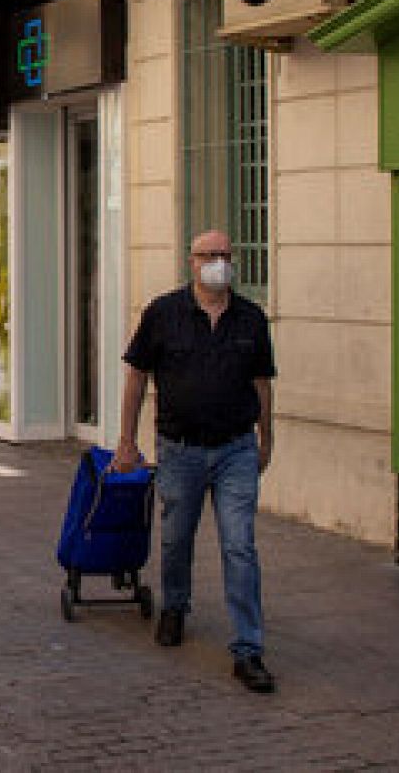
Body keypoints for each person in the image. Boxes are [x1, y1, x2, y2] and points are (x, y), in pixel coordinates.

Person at [115, 229, 277, 694]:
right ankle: (175, 607)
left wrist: (268, 439)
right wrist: (126, 441)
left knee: (240, 546)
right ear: (192, 261)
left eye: (227, 255)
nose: (220, 263)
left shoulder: (250, 319)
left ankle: (249, 649)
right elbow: (137, 378)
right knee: (176, 539)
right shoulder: (164, 313)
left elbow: (263, 384)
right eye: (211, 256)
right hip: (180, 449)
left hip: (235, 449)